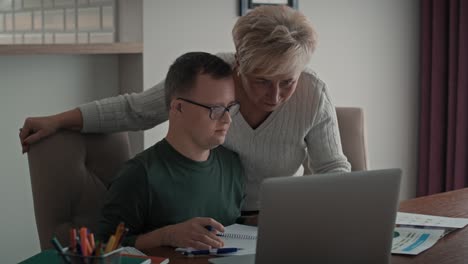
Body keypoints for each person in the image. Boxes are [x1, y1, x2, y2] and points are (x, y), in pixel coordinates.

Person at [19, 6, 351, 213]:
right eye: (262, 81)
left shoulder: (313, 92)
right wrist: (58, 120)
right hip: (207, 217)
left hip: (275, 221)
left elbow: (332, 166)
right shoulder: (212, 77)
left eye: (287, 82)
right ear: (240, 63)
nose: (275, 95)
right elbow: (135, 110)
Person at [96, 52, 245, 250]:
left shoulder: (232, 165)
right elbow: (103, 247)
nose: (227, 119)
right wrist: (167, 235)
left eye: (230, 107)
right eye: (216, 109)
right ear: (179, 108)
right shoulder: (138, 175)